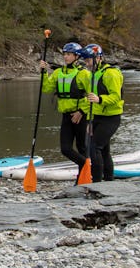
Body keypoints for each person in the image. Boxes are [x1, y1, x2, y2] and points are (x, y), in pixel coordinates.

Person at [39, 42, 92, 178]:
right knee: (65, 149)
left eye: (69, 54)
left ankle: (83, 176)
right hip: (66, 116)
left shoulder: (83, 74)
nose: (66, 57)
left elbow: (92, 95)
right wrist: (44, 73)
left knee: (82, 148)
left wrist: (81, 111)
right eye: (65, 54)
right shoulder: (58, 73)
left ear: (76, 56)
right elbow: (46, 88)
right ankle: (88, 165)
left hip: (80, 116)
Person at [81, 43, 124, 182]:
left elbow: (116, 97)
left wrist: (100, 99)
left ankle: (97, 182)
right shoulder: (91, 75)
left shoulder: (111, 73)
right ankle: (109, 180)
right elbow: (89, 101)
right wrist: (89, 121)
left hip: (111, 118)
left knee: (94, 148)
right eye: (85, 60)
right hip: (97, 117)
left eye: (88, 60)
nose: (87, 63)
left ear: (99, 58)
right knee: (104, 150)